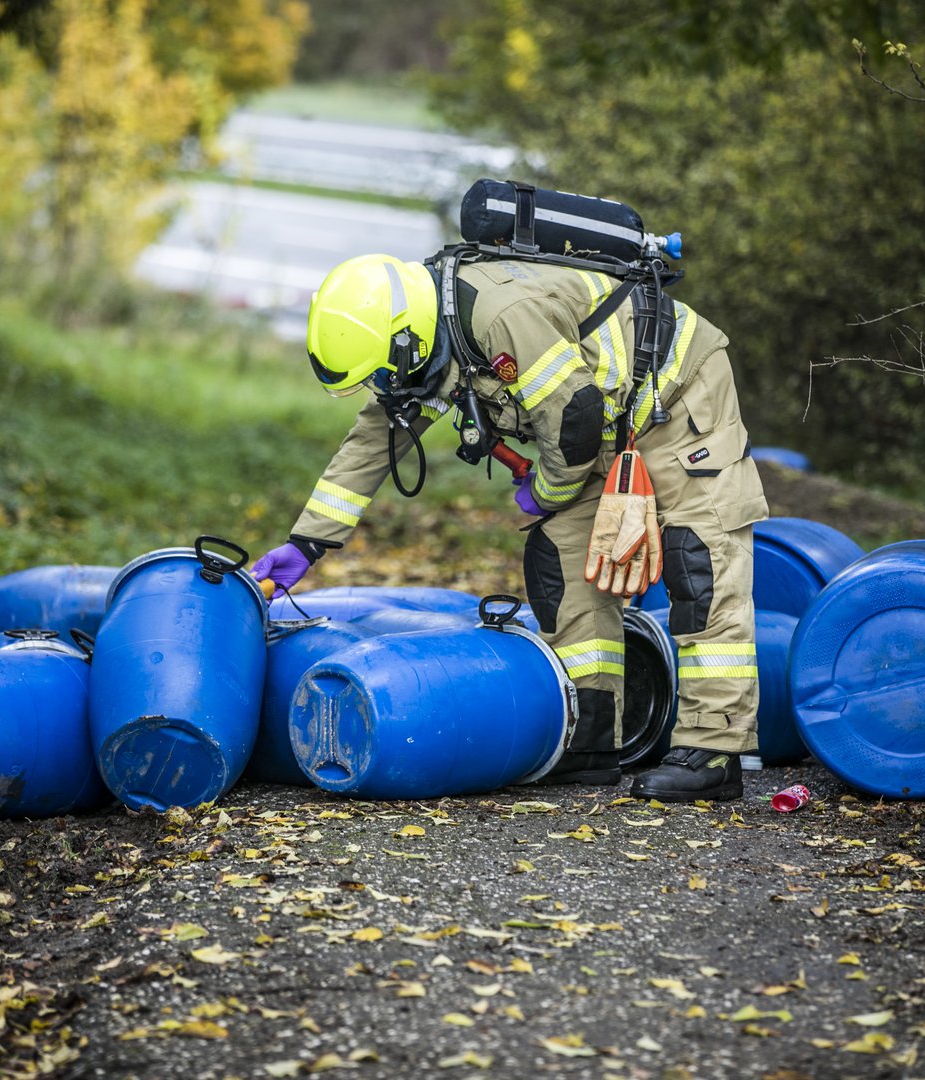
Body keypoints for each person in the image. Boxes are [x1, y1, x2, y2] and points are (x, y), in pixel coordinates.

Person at [252, 252, 767, 801]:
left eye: (383, 371)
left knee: (699, 565)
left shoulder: (500, 316)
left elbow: (574, 417)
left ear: (408, 339)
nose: (385, 384)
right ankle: (590, 738)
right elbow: (373, 443)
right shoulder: (425, 346)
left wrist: (544, 491)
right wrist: (307, 544)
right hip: (597, 422)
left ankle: (713, 751)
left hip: (677, 393)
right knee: (563, 561)